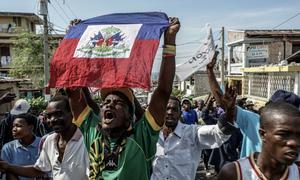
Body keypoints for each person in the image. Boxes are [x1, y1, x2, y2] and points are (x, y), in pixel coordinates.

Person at [89, 17, 180, 179]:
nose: (109, 106)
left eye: (118, 103)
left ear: (128, 117)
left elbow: (163, 91)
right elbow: (73, 95)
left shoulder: (142, 137)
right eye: (106, 102)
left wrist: (170, 41)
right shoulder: (93, 134)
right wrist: (70, 41)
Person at [151, 81, 237, 180]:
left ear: (180, 114)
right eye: (167, 109)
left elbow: (219, 132)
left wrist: (230, 110)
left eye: (174, 109)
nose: (170, 112)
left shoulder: (193, 133)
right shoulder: (152, 135)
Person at [0, 95, 90, 179]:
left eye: (59, 114)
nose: (53, 119)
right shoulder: (49, 141)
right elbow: (38, 170)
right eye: (49, 116)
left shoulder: (86, 140)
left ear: (72, 113)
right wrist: (8, 166)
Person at [217, 102, 300, 180]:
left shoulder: (297, 173)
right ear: (263, 134)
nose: (294, 143)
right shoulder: (234, 173)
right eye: (283, 134)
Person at [1, 113, 41, 180]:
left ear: (31, 127)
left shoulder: (43, 144)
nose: (14, 129)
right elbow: (7, 171)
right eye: (13, 126)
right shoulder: (8, 148)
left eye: (18, 126)